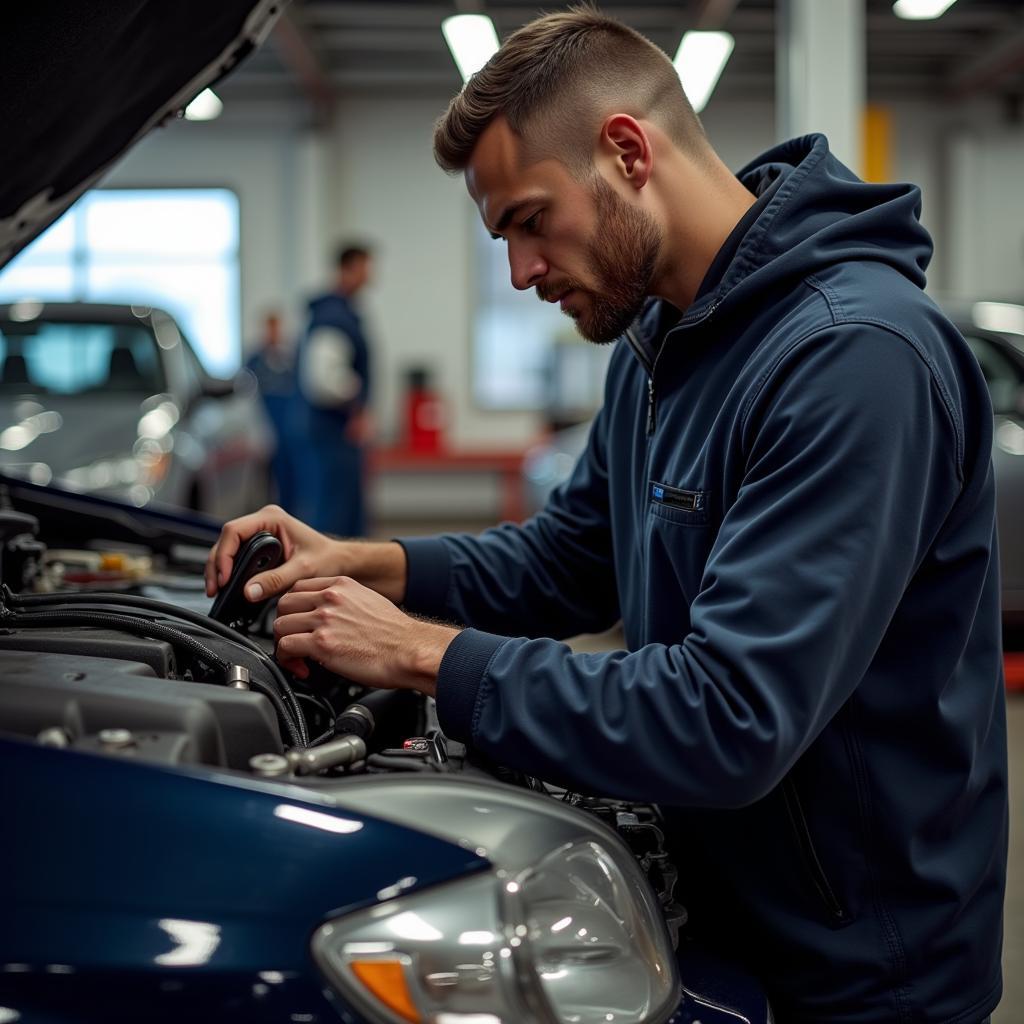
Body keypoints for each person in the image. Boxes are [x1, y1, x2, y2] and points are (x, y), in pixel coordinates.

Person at [206, 8, 1007, 1022]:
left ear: (626, 150)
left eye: (529, 220)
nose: (521, 271)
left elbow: (730, 715)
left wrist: (420, 655)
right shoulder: (663, 341)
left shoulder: (854, 357)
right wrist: (377, 566)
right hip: (726, 913)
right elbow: (571, 558)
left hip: (861, 971)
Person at [294, 243, 374, 536]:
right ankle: (324, 579)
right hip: (334, 427)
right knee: (333, 512)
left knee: (343, 507)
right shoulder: (333, 315)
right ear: (347, 269)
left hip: (334, 427)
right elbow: (324, 379)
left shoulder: (342, 312)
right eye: (365, 267)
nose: (370, 275)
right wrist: (357, 405)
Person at [244, 310, 298, 513]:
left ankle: (288, 512)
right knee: (264, 477)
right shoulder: (254, 361)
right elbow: (246, 396)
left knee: (288, 475)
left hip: (287, 429)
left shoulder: (289, 360)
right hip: (265, 426)